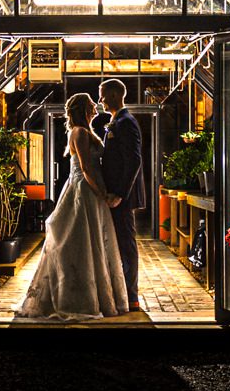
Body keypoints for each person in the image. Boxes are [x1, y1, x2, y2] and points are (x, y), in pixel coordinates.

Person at [13, 93, 129, 321]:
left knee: (92, 241)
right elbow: (86, 168)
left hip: (90, 190)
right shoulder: (79, 132)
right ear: (84, 109)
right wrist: (101, 192)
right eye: (91, 104)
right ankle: (75, 297)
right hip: (84, 191)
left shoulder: (87, 131)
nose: (96, 105)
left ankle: (95, 294)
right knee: (80, 242)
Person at [98, 78, 146, 312]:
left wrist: (119, 193)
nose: (101, 100)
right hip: (115, 196)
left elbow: (134, 160)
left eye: (103, 94)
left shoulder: (126, 122)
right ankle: (122, 293)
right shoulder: (116, 121)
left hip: (122, 198)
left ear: (115, 95)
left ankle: (132, 297)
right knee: (119, 245)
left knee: (126, 246)